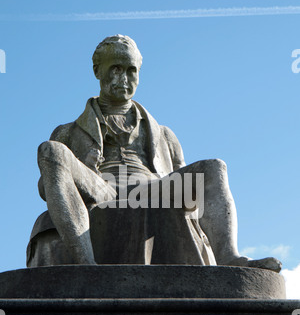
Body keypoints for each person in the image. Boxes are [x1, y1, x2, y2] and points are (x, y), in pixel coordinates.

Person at [26, 34, 281, 272]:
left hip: (151, 188)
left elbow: (186, 186)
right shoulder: (67, 131)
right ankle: (87, 266)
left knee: (215, 167)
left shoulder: (164, 134)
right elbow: (45, 187)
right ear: (97, 71)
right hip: (100, 186)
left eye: (131, 70)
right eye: (115, 68)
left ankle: (229, 257)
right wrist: (83, 165)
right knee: (50, 151)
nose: (123, 79)